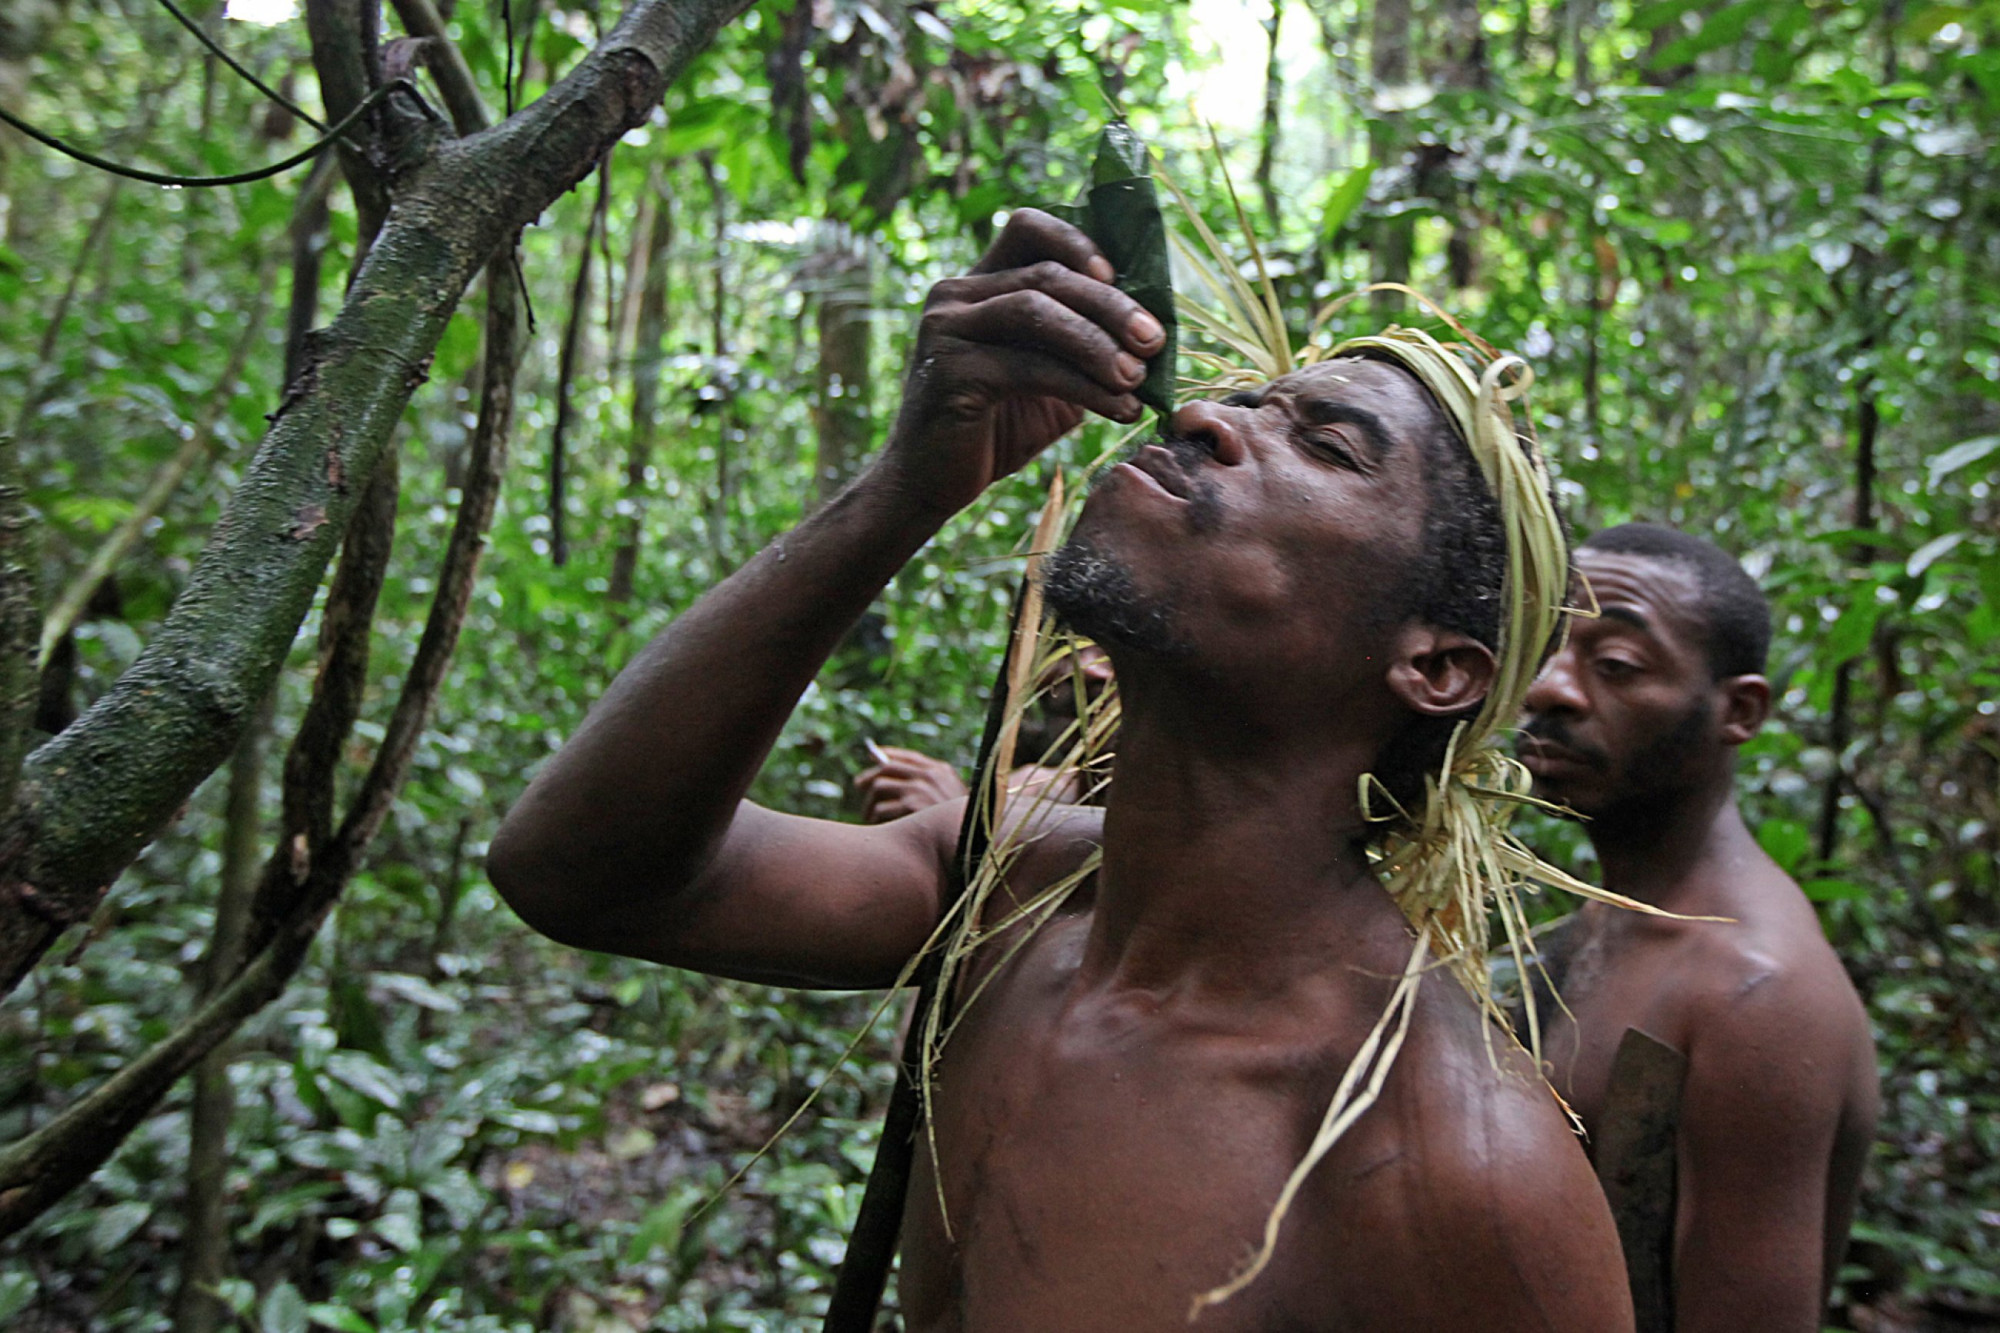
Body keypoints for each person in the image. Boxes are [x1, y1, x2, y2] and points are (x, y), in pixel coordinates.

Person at [489, 208, 1633, 1328]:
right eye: (1237, 402)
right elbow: (582, 875)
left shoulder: (1450, 1165)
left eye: (1324, 445)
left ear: (1434, 666)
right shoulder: (1000, 887)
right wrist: (909, 484)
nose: (1199, 417)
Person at [1518, 522, 1880, 1333]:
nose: (1552, 689)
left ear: (1738, 709)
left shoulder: (1756, 994)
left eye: (1614, 666)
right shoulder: (1610, 918)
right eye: (1549, 649)